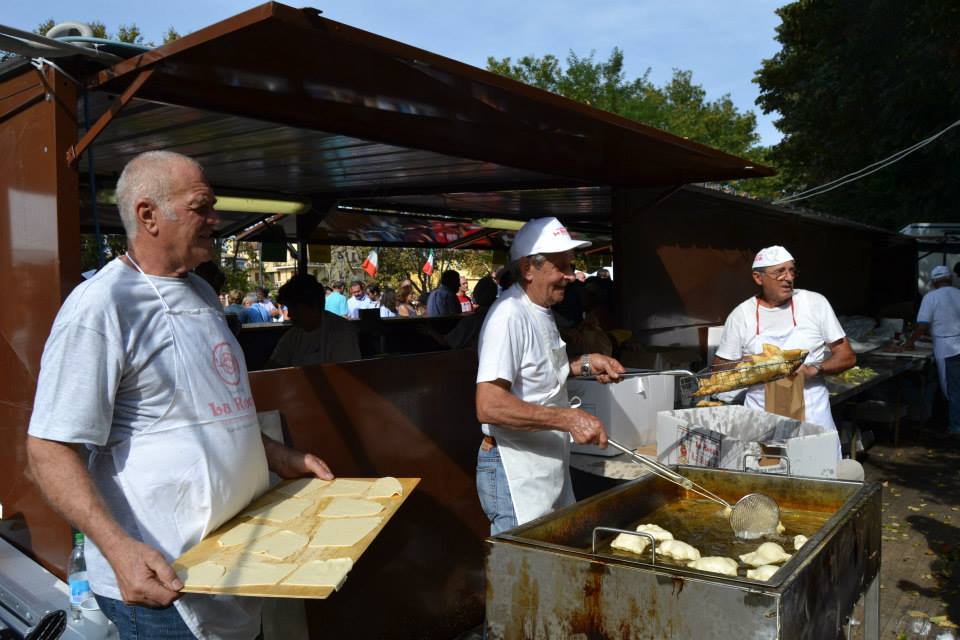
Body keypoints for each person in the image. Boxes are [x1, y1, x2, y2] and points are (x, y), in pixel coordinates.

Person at [25, 151, 334, 639]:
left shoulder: (202, 294)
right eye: (202, 206)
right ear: (148, 215)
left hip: (234, 562)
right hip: (163, 583)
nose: (216, 219)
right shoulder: (103, 306)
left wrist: (277, 455)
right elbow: (48, 449)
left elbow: (213, 409)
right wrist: (119, 550)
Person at [475, 217, 625, 535]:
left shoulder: (540, 310)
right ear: (529, 268)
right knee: (521, 573)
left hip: (544, 463)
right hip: (515, 469)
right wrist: (568, 419)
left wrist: (586, 363)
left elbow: (539, 371)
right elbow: (489, 405)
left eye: (570, 266)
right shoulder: (508, 316)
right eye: (561, 267)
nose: (570, 277)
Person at [714, 245, 855, 456]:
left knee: (820, 479)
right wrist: (751, 366)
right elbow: (720, 370)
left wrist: (812, 370)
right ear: (758, 277)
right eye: (779, 272)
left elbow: (847, 356)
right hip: (761, 420)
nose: (788, 278)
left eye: (791, 270)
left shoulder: (814, 303)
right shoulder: (742, 315)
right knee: (766, 479)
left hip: (813, 417)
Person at [904, 265, 960, 435]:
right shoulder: (959, 293)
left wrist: (910, 342)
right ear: (950, 279)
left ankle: (956, 428)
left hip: (948, 348)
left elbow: (922, 324)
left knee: (953, 390)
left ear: (935, 282)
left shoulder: (931, 297)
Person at [267, 274, 362, 368]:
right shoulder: (294, 334)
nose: (290, 314)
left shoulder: (342, 331)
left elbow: (345, 376)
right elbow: (272, 367)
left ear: (313, 306)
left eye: (294, 308)